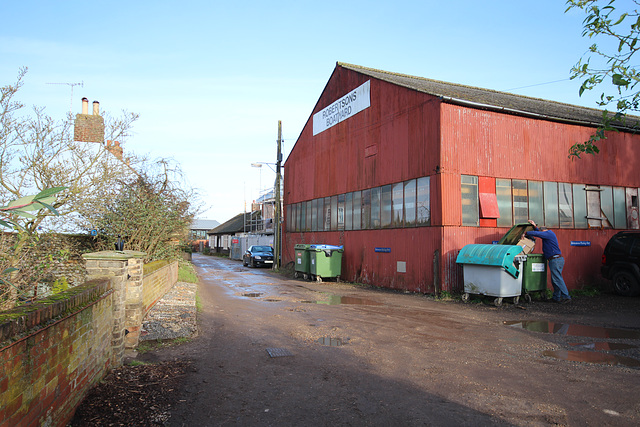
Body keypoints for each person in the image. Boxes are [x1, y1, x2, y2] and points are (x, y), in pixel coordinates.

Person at [525, 219, 571, 303]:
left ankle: (566, 296)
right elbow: (538, 232)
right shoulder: (548, 234)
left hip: (555, 259)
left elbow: (538, 234)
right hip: (556, 259)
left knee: (557, 279)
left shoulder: (549, 233)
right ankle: (556, 297)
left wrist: (526, 233)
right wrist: (534, 226)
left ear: (544, 231)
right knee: (555, 279)